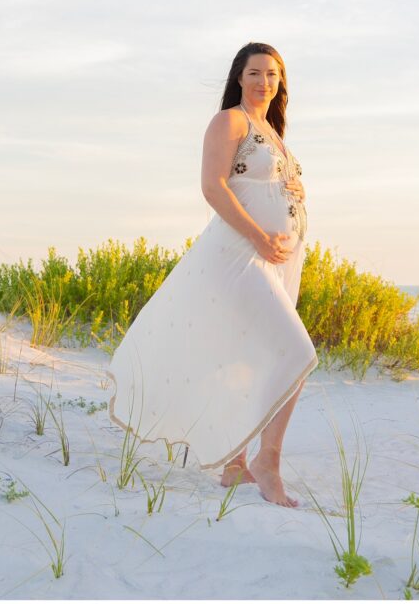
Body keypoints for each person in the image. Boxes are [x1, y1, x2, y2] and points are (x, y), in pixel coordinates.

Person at [108, 41, 318, 508]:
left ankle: (233, 464)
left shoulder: (272, 130)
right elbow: (212, 186)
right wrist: (260, 236)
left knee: (245, 356)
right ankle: (269, 460)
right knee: (298, 351)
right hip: (241, 254)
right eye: (256, 72)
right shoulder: (231, 121)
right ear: (239, 77)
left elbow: (264, 181)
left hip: (279, 260)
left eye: (273, 74)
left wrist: (297, 189)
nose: (265, 81)